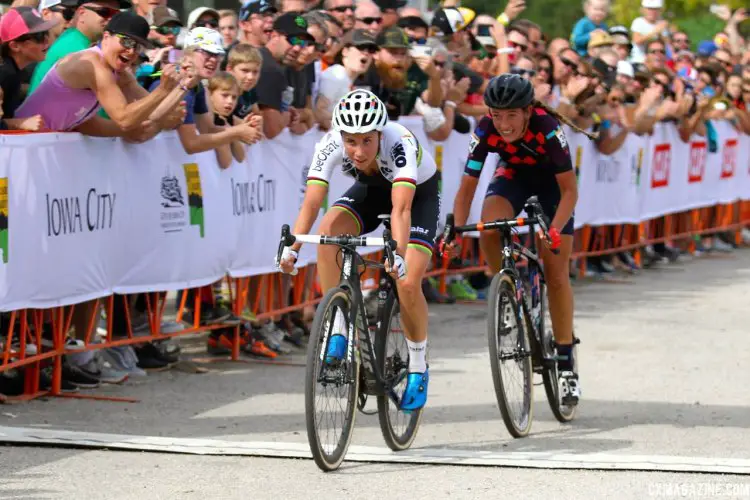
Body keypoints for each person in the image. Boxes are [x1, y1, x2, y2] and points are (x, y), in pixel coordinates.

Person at [278, 89, 439, 411]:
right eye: (351, 141)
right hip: (371, 191)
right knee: (328, 235)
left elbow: (402, 210)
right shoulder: (329, 142)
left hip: (415, 197)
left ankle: (419, 367)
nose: (359, 150)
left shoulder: (399, 142)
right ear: (341, 135)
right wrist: (293, 245)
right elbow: (311, 201)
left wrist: (398, 254)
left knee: (406, 282)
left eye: (367, 140)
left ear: (380, 132)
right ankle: (338, 325)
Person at [450, 74, 596, 407]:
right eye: (497, 115)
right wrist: (457, 231)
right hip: (513, 176)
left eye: (512, 115)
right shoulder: (486, 128)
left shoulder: (547, 127)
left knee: (556, 273)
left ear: (528, 111)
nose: (503, 123)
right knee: (487, 227)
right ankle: (504, 283)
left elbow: (570, 191)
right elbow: (466, 188)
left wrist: (554, 229)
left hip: (552, 186)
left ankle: (565, 359)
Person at [15, 11, 187, 138]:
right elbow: (125, 119)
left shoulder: (119, 72)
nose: (132, 51)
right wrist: (163, 91)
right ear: (106, 37)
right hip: (18, 139)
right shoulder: (92, 64)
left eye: (138, 46)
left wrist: (174, 102)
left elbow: (154, 112)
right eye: (126, 41)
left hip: (39, 142)